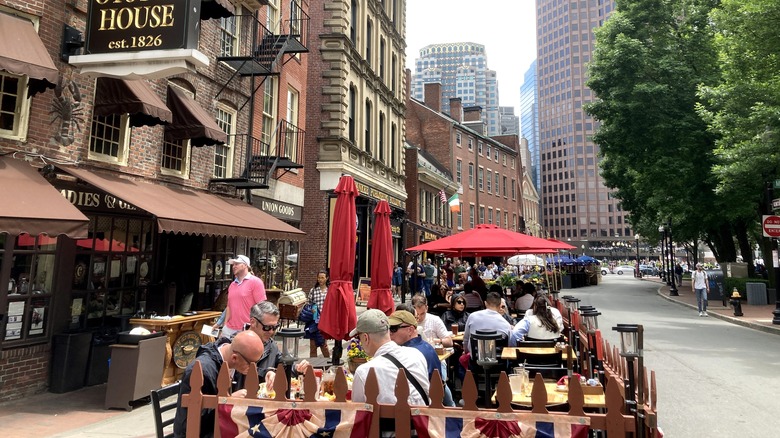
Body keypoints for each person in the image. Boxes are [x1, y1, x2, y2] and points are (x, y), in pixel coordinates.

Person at [173, 330, 264, 438]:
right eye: (251, 364)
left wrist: (269, 372)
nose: (253, 368)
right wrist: (228, 400)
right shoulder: (203, 371)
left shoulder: (235, 359)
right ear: (234, 358)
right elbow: (192, 421)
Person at [350, 309, 430, 407]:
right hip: (422, 420)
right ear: (387, 331)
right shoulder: (417, 354)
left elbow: (358, 411)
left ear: (366, 338)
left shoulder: (364, 371)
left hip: (387, 422)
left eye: (359, 338)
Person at [245, 301, 310, 388]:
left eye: (275, 327)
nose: (271, 331)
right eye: (267, 327)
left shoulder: (271, 345)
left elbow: (283, 365)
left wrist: (297, 368)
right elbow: (242, 370)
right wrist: (266, 373)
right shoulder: (237, 343)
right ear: (253, 322)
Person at [219, 255, 266, 338]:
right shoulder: (232, 285)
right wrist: (224, 326)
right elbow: (229, 306)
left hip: (247, 329)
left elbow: (262, 307)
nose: (234, 266)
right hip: (229, 329)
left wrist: (255, 328)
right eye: (233, 265)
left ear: (245, 265)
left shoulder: (256, 282)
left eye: (237, 264)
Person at [306, 270, 330, 358]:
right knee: (312, 345)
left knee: (323, 344)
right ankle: (312, 367)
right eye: (319, 277)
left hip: (325, 320)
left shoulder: (329, 290)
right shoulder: (313, 290)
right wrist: (311, 309)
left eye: (322, 278)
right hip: (314, 320)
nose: (320, 280)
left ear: (327, 278)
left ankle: (328, 364)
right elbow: (308, 302)